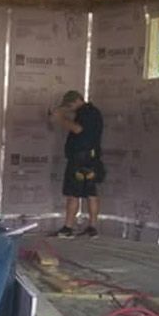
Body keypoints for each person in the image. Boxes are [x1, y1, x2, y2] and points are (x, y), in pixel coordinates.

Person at [50, 89, 104, 238]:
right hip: (92, 158)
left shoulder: (85, 113)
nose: (70, 109)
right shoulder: (94, 112)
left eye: (70, 106)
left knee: (73, 193)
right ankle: (92, 228)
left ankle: (68, 228)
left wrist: (60, 119)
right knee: (91, 193)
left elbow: (78, 129)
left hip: (79, 159)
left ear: (76, 101)